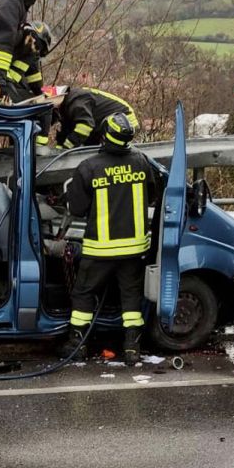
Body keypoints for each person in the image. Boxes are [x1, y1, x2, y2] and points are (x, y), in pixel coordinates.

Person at [60, 113, 162, 366]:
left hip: (100, 250)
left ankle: (77, 344)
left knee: (83, 293)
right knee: (131, 297)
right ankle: (131, 348)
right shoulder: (141, 162)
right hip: (134, 249)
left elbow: (77, 209)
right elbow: (152, 197)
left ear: (105, 134)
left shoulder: (89, 167)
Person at [52, 87, 139, 148]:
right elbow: (67, 129)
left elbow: (85, 126)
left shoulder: (76, 102)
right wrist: (59, 148)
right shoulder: (66, 106)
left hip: (123, 120)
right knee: (90, 147)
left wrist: (67, 147)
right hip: (101, 123)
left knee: (106, 153)